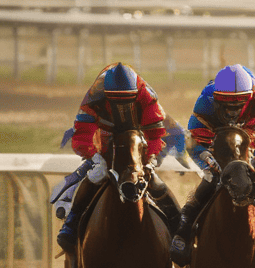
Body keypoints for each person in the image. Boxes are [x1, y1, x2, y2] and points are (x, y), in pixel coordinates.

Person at [169, 63, 255, 265]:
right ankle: (183, 233)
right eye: (227, 106)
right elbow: (193, 137)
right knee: (210, 179)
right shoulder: (206, 99)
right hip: (216, 143)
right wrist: (207, 157)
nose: (233, 111)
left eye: (238, 105)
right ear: (217, 99)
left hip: (250, 141)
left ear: (249, 97)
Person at [53, 62, 179, 253]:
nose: (122, 106)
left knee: (155, 181)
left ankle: (180, 229)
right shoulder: (94, 96)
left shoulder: (146, 95)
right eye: (116, 101)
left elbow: (156, 134)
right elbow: (81, 135)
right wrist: (95, 158)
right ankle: (71, 225)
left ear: (136, 93)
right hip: (105, 145)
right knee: (95, 176)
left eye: (127, 100)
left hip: (136, 146)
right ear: (106, 94)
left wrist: (150, 160)